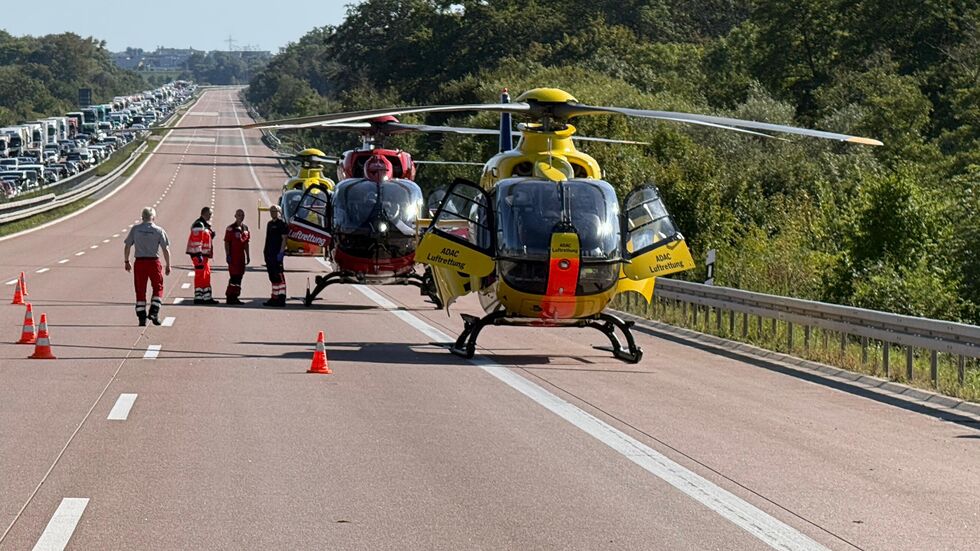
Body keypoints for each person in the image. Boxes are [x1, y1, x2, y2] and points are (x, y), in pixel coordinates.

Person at [123, 207, 172, 326]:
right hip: (153, 262)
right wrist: (168, 264)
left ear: (142, 217)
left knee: (140, 289)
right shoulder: (159, 230)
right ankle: (154, 311)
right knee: (158, 287)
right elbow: (165, 249)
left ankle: (141, 318)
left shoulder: (135, 229)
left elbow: (127, 246)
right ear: (153, 217)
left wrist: (126, 261)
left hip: (140, 262)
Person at [186, 206, 218, 304]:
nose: (210, 216)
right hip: (199, 255)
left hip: (204, 255)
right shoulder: (199, 224)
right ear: (204, 213)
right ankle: (199, 297)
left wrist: (211, 235)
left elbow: (203, 237)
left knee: (206, 275)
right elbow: (197, 240)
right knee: (200, 275)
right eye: (210, 214)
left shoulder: (204, 225)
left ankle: (207, 297)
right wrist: (198, 253)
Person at [224, 209, 250, 305]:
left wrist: (248, 255)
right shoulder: (231, 228)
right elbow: (227, 242)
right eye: (239, 215)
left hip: (241, 257)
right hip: (233, 257)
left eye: (242, 215)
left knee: (239, 276)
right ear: (235, 216)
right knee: (234, 277)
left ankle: (235, 296)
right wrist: (228, 254)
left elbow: (246, 243)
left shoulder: (245, 228)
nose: (241, 217)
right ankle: (230, 296)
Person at [263, 204, 288, 306]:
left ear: (279, 212)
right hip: (269, 254)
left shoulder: (281, 224)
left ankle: (281, 298)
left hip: (277, 253)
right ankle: (274, 297)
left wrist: (281, 252)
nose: (272, 213)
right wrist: (265, 252)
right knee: (272, 276)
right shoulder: (269, 224)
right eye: (271, 211)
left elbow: (284, 238)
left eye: (274, 211)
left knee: (279, 276)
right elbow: (267, 239)